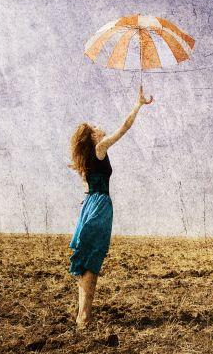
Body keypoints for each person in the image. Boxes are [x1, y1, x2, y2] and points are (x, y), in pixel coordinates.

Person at [67, 86, 153, 328]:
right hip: (100, 205)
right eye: (95, 128)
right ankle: (84, 317)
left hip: (88, 206)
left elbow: (87, 189)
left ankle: (82, 316)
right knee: (93, 261)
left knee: (86, 262)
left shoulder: (85, 162)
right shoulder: (100, 147)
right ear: (93, 137)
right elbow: (124, 127)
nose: (99, 128)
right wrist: (138, 105)